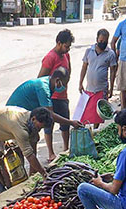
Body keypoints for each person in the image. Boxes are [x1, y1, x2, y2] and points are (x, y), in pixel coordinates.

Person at [0, 106, 52, 200]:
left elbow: (33, 147)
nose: (39, 130)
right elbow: (29, 154)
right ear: (33, 119)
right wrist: (44, 174)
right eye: (39, 127)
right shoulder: (20, 127)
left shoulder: (31, 122)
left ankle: (1, 191)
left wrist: (32, 177)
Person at [6, 70, 82, 150]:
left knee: (34, 138)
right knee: (24, 143)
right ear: (57, 80)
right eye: (64, 84)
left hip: (23, 113)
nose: (64, 87)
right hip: (14, 115)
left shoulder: (47, 82)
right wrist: (71, 122)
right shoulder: (43, 88)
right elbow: (50, 114)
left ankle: (33, 160)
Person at [37, 29, 74, 161]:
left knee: (65, 124)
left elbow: (69, 71)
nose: (67, 49)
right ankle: (51, 153)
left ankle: (65, 149)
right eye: (66, 46)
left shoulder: (66, 55)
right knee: (48, 125)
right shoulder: (50, 57)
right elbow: (40, 79)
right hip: (51, 98)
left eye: (69, 46)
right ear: (59, 43)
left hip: (63, 96)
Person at [78, 29, 117, 128]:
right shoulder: (89, 51)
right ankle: (84, 131)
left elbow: (113, 72)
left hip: (101, 89)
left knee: (98, 114)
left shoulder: (110, 54)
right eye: (100, 41)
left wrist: (111, 88)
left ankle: (95, 131)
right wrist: (80, 83)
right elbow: (84, 67)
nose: (102, 43)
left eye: (105, 41)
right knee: (86, 113)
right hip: (89, 89)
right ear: (97, 39)